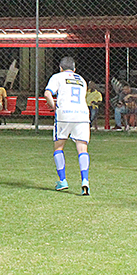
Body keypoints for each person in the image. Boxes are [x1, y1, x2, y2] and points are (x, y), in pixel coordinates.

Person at [44, 56, 91, 195]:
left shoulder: (57, 77)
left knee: (59, 146)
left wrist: (53, 106)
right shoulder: (81, 79)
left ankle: (63, 180)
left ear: (60, 68)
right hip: (82, 114)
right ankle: (85, 181)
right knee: (82, 148)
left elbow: (47, 93)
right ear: (74, 69)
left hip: (65, 113)